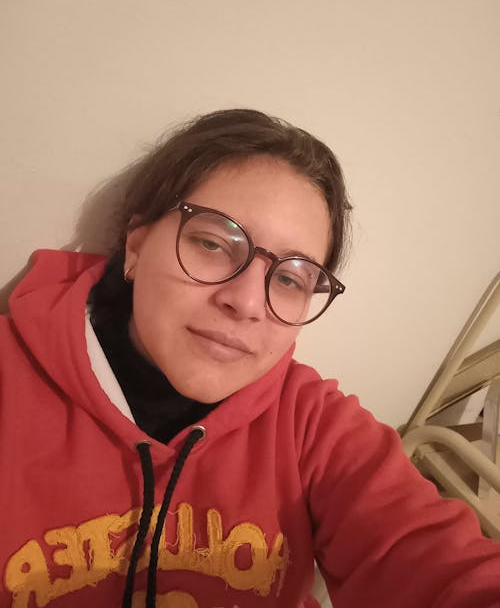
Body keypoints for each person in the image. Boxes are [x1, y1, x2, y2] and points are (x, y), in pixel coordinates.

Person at [0, 109, 499, 608]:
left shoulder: (313, 427)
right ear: (136, 246)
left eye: (290, 278)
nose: (247, 302)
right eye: (214, 244)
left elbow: (434, 563)